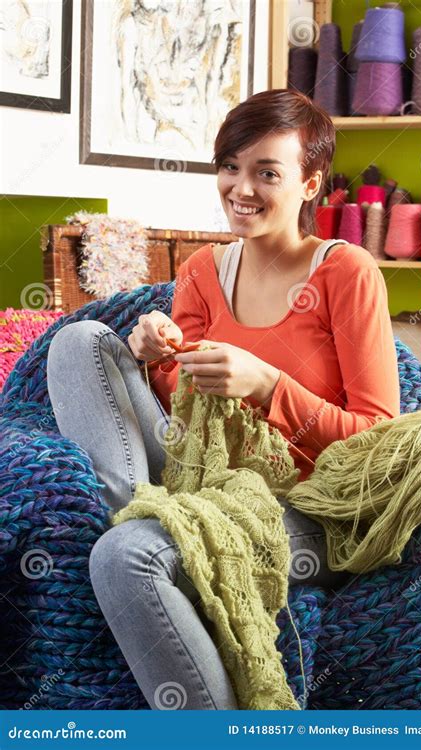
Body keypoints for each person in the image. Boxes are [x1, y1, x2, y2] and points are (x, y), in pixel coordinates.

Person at [46, 89, 400, 711]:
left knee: (124, 558)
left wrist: (268, 386)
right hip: (198, 476)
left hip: (302, 504)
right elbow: (184, 409)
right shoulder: (204, 270)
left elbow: (377, 437)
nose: (241, 187)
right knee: (81, 339)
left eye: (267, 172)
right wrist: (156, 354)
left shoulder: (346, 272)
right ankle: (151, 518)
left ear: (312, 183)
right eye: (230, 166)